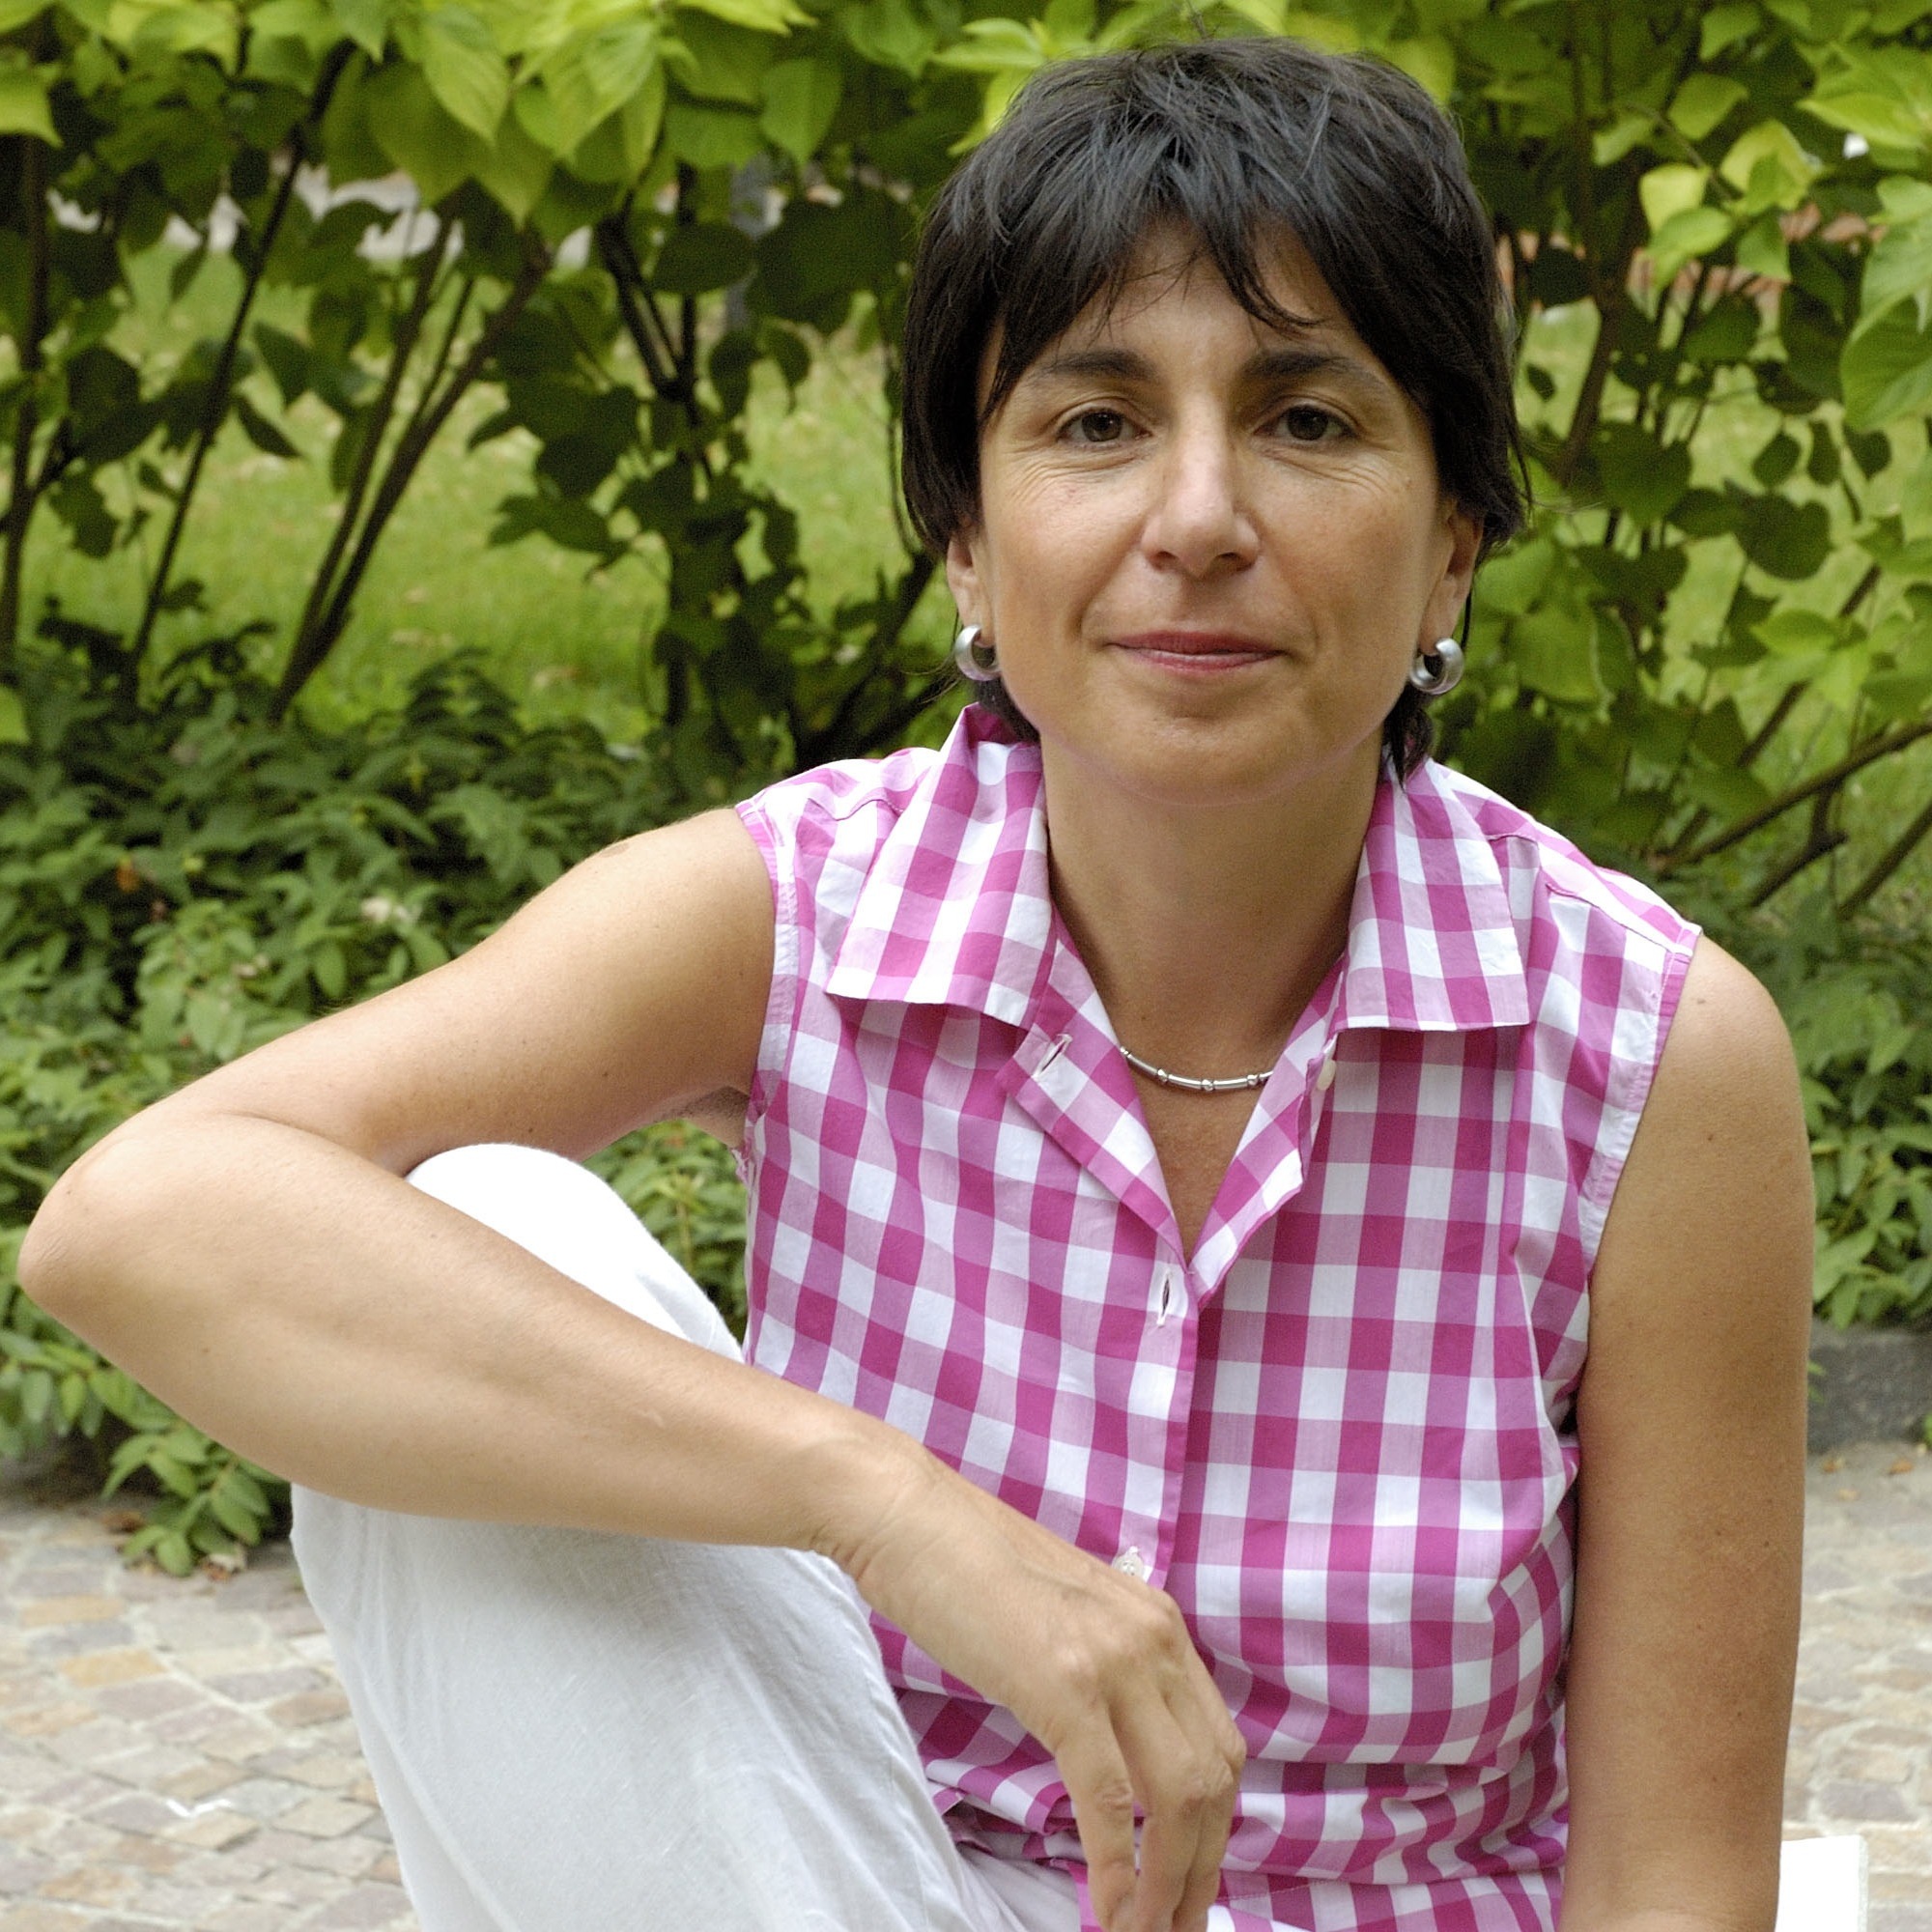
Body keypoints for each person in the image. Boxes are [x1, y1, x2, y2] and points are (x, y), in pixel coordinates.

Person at [18, 36, 1812, 1932]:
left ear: (1450, 545)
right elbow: (140, 1218)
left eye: (1306, 419)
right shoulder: (797, 913)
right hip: (837, 1892)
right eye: (1096, 422)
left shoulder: (1645, 1058)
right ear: (966, 538)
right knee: (478, 1222)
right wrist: (879, 1501)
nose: (1198, 518)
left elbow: (1672, 1883)